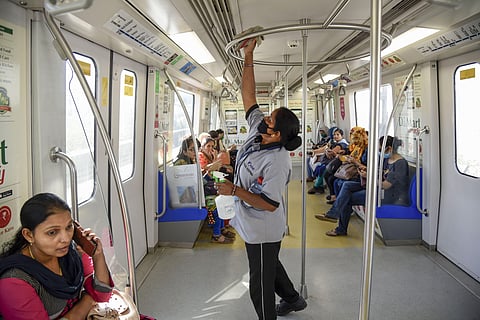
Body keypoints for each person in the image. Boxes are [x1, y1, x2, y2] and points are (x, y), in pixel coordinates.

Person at [215, 38, 306, 319]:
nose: (265, 117)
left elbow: (270, 204)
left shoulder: (277, 161)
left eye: (270, 119)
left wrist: (234, 190)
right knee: (270, 266)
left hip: (263, 226)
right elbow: (249, 96)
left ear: (277, 134)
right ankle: (293, 299)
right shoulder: (260, 131)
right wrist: (249, 55)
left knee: (260, 284)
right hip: (250, 222)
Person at [0, 193, 114, 319]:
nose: (65, 238)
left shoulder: (71, 253)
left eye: (69, 227)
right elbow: (95, 296)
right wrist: (88, 299)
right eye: (52, 232)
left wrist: (97, 255)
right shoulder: (14, 282)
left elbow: (102, 295)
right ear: (29, 235)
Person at [318, 136, 410, 236]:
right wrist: (363, 170)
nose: (379, 152)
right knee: (347, 185)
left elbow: (387, 185)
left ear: (389, 149)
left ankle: (339, 226)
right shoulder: (387, 160)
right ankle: (333, 214)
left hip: (388, 194)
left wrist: (369, 177)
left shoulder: (400, 163)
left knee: (347, 198)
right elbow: (379, 172)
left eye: (379, 149)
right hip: (377, 186)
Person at [198, 136, 235, 244]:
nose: (210, 149)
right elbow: (204, 174)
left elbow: (214, 172)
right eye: (208, 146)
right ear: (202, 147)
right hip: (204, 191)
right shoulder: (201, 156)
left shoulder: (210, 156)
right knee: (219, 207)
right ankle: (216, 235)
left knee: (225, 199)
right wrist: (213, 165)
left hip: (210, 188)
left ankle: (222, 228)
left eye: (212, 146)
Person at [307, 128, 349, 194]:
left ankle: (317, 187)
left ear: (342, 136)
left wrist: (327, 151)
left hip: (337, 164)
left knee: (322, 168)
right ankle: (318, 186)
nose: (336, 136)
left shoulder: (342, 144)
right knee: (319, 167)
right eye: (334, 135)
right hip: (330, 162)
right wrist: (313, 151)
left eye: (338, 134)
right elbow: (325, 148)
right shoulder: (333, 142)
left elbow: (331, 152)